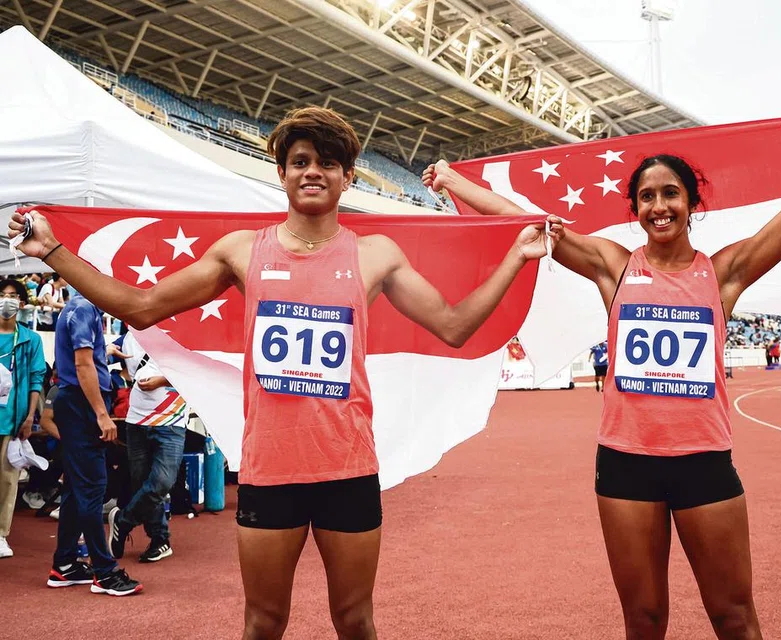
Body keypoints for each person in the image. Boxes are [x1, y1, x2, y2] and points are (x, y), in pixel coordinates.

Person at [9, 106, 558, 638]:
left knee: (356, 621)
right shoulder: (243, 251)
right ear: (282, 173)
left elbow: (454, 326)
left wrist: (515, 256)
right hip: (271, 469)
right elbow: (141, 306)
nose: (312, 171)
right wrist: (51, 250)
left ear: (347, 177)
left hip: (347, 467)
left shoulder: (376, 254)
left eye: (327, 162)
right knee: (264, 623)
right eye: (300, 161)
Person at [423, 102, 781, 640]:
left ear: (692, 203)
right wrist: (452, 181)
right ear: (635, 208)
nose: (659, 206)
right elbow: (526, 220)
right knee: (644, 621)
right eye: (647, 196)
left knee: (734, 617)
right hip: (625, 464)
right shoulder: (614, 266)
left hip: (703, 462)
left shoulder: (724, 274)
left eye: (670, 193)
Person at [43, 287, 142, 595]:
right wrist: (101, 414)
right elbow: (82, 364)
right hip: (82, 405)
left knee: (77, 488)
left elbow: (85, 359)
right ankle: (105, 572)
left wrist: (105, 351)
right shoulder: (85, 308)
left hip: (77, 402)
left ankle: (65, 565)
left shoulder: (81, 309)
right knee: (91, 487)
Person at [107, 330, 187, 563]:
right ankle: (160, 540)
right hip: (136, 420)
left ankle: (123, 521)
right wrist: (104, 351)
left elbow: (194, 373)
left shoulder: (178, 333)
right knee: (142, 482)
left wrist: (162, 381)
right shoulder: (127, 338)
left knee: (162, 482)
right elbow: (96, 359)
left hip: (171, 420)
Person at [0, 278, 47, 559]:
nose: (6, 301)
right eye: (2, 295)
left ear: (21, 302)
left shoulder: (31, 339)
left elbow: (36, 379)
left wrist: (30, 417)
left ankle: (1, 534)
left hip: (12, 421)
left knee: (8, 480)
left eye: (12, 296)